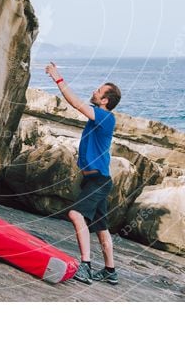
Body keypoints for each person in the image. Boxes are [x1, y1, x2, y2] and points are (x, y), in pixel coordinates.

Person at [44, 61, 122, 285]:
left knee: (76, 215)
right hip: (97, 180)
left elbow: (77, 104)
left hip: (97, 181)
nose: (94, 92)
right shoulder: (98, 116)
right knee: (101, 228)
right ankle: (110, 271)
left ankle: (85, 266)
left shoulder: (105, 117)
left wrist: (57, 77)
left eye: (98, 91)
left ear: (104, 100)